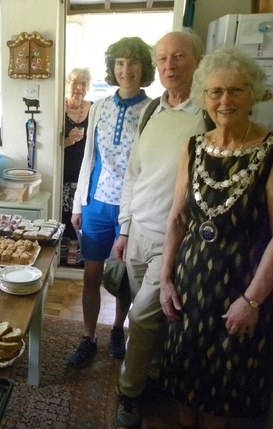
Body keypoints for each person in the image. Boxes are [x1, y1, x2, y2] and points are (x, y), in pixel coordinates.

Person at [159, 48, 273, 429]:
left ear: (253, 94)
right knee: (184, 380)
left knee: (220, 394)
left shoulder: (270, 151)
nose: (225, 101)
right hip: (189, 288)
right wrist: (165, 279)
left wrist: (252, 302)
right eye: (215, 92)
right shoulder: (193, 148)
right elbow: (177, 218)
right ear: (203, 98)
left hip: (240, 290)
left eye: (236, 91)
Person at [112, 30, 206, 429]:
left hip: (177, 238)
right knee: (154, 316)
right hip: (139, 232)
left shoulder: (208, 112)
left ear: (197, 61)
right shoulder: (152, 111)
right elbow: (134, 175)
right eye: (163, 58)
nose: (169, 66)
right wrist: (124, 228)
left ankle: (129, 394)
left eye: (179, 56)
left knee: (145, 315)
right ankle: (153, 373)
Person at [68, 37, 155, 368]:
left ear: (144, 68)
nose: (126, 69)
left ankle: (117, 329)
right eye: (120, 62)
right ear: (112, 67)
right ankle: (88, 336)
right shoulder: (100, 106)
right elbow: (89, 156)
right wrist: (78, 204)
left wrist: (132, 218)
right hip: (96, 205)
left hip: (132, 209)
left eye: (133, 62)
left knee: (123, 278)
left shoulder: (152, 109)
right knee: (91, 276)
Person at [61, 67, 92, 267]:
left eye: (83, 84)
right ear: (67, 85)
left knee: (82, 216)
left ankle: (80, 258)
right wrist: (68, 141)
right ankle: (63, 258)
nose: (79, 88)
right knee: (65, 214)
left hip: (86, 173)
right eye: (75, 83)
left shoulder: (94, 108)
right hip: (64, 172)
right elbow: (50, 146)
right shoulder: (59, 108)